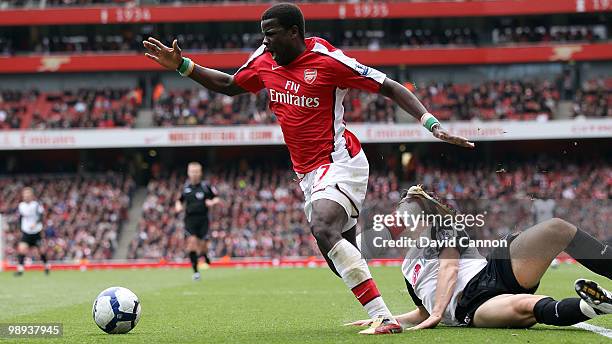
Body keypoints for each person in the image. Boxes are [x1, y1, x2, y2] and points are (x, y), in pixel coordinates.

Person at [143, 3, 473, 334]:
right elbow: (230, 85)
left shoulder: (328, 61)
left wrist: (432, 125)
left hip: (340, 161)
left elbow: (389, 85)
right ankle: (396, 250)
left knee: (323, 225)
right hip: (308, 175)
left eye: (271, 34)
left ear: (294, 33)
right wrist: (184, 65)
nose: (265, 41)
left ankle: (384, 318)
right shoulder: (263, 60)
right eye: (262, 35)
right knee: (337, 255)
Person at [348, 185, 611, 331]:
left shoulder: (445, 228)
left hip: (495, 272)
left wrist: (438, 313)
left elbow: (449, 269)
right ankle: (595, 306)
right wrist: (387, 317)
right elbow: (422, 311)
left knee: (557, 228)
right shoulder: (407, 268)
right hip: (471, 308)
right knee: (526, 306)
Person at [175, 162, 220, 281]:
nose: (194, 174)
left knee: (203, 246)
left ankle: (205, 255)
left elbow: (216, 197)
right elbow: (179, 200)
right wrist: (178, 206)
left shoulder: (205, 187)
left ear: (200, 173)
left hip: (203, 220)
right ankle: (196, 272)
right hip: (190, 220)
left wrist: (212, 202)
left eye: (196, 172)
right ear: (188, 173)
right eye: (192, 172)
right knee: (192, 243)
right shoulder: (185, 188)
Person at [15, 187, 49, 276]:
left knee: (41, 251)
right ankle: (20, 270)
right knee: (22, 249)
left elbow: (41, 217)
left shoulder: (36, 205)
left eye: (28, 194)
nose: (26, 196)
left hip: (36, 231)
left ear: (31, 195)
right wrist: (19, 228)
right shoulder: (21, 205)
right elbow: (20, 217)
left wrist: (36, 223)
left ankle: (46, 266)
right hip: (26, 232)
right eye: (25, 194)